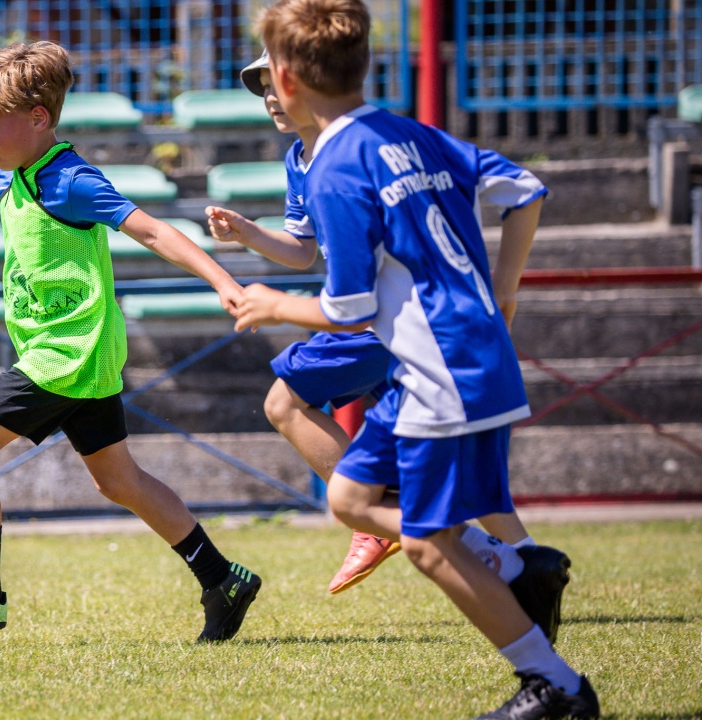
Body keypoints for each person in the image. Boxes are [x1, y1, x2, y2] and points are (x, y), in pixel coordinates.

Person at [237, 1, 599, 718]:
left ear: (287, 78)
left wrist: (273, 304)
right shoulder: (413, 134)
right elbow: (525, 191)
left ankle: (554, 681)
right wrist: (502, 294)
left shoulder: (333, 167)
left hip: (441, 367)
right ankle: (516, 562)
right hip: (459, 356)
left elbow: (349, 309)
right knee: (351, 499)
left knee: (429, 543)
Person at [0, 41, 260, 643]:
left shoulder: (70, 181)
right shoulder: (10, 172)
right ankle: (223, 579)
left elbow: (153, 231)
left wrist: (224, 281)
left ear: (38, 119)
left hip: (67, 352)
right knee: (118, 481)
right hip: (75, 354)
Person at [208, 50, 565, 606]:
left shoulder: (349, 156)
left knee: (286, 406)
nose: (271, 96)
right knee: (466, 481)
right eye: (262, 87)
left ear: (310, 80)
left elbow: (350, 305)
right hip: (448, 333)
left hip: (390, 323)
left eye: (277, 81)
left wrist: (276, 306)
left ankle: (384, 514)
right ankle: (531, 567)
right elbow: (303, 249)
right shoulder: (315, 155)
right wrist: (248, 233)